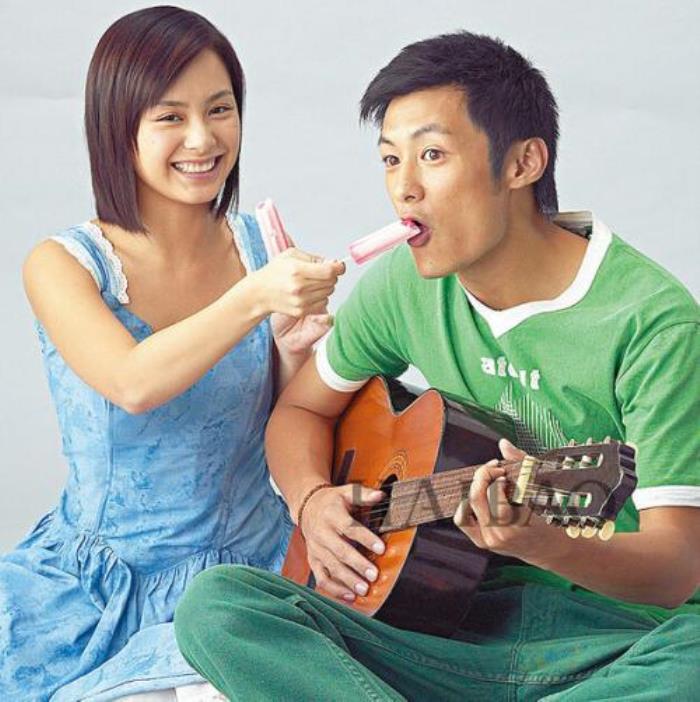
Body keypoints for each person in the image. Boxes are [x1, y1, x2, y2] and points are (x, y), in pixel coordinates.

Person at [174, 30, 700, 701]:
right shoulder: (405, 286)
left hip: (615, 638)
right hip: (446, 625)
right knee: (218, 606)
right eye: (390, 160)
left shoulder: (653, 323)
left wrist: (543, 543)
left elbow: (676, 568)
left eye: (432, 155)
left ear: (523, 163)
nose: (405, 189)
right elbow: (300, 410)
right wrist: (312, 502)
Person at [0, 6, 344, 701]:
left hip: (250, 576)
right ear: (116, 126)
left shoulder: (261, 247)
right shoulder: (62, 265)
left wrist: (290, 355)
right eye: (170, 117)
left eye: (220, 109)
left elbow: (286, 424)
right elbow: (132, 383)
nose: (202, 138)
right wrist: (254, 299)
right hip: (96, 594)